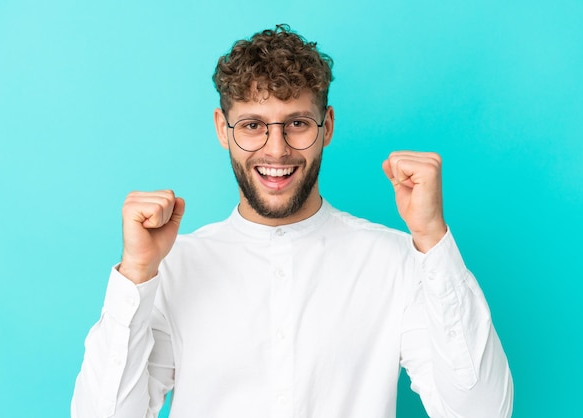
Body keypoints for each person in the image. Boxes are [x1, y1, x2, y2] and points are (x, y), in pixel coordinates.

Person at [71, 24, 513, 418]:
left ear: (328, 126)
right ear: (223, 130)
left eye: (297, 123)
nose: (276, 150)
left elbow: (481, 413)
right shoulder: (174, 267)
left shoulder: (397, 261)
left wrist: (432, 239)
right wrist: (136, 275)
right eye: (252, 126)